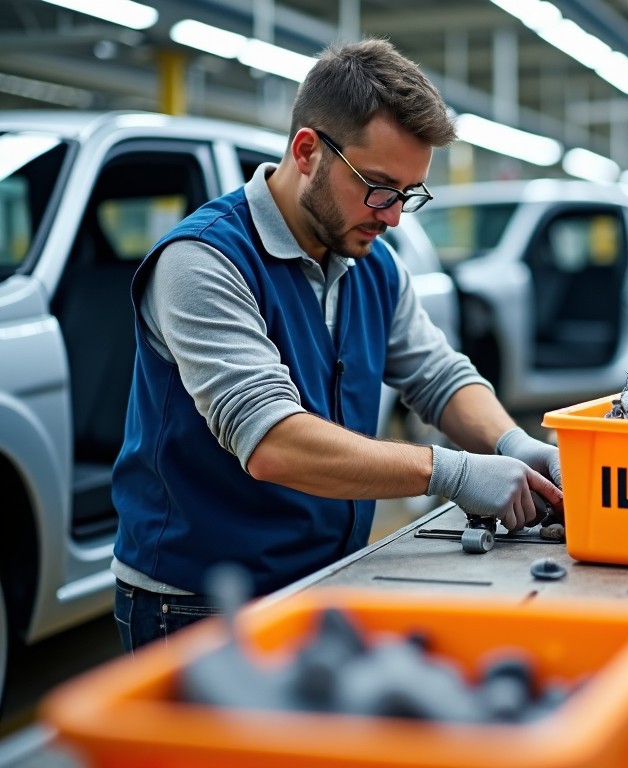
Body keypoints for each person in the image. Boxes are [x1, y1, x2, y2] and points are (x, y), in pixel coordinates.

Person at [111, 38, 563, 652]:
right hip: (198, 604)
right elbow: (271, 441)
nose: (395, 216)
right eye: (379, 187)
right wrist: (451, 471)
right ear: (307, 151)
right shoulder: (203, 262)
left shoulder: (371, 261)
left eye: (408, 193)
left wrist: (514, 443)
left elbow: (437, 374)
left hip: (322, 579)